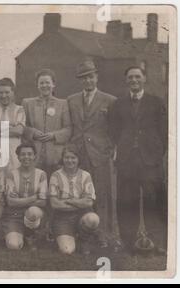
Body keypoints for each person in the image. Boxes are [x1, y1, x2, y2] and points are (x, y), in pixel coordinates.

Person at [109, 66, 167, 254]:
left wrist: (157, 153)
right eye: (130, 77)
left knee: (154, 200)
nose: (134, 80)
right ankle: (129, 243)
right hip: (127, 160)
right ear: (126, 80)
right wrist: (124, 147)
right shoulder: (118, 104)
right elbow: (113, 131)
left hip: (150, 161)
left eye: (137, 77)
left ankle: (157, 242)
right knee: (126, 201)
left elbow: (164, 132)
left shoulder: (156, 103)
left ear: (144, 79)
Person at [67, 60, 121, 250]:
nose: (87, 81)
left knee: (101, 195)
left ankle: (103, 234)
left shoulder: (110, 100)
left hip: (100, 155)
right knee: (79, 193)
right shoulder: (71, 100)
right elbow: (71, 127)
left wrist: (108, 150)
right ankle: (82, 233)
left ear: (96, 77)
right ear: (79, 81)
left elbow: (115, 130)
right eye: (83, 78)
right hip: (78, 155)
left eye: (90, 76)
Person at [49, 144, 100, 255]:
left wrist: (70, 201)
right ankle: (64, 236)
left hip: (82, 215)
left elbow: (89, 201)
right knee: (67, 250)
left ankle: (84, 239)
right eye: (67, 157)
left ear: (78, 159)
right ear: (62, 159)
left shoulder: (86, 175)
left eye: (73, 158)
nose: (70, 160)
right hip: (62, 218)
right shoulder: (55, 175)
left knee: (93, 219)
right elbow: (54, 204)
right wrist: (79, 202)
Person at [22, 69, 72, 177]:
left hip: (56, 156)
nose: (45, 85)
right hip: (34, 155)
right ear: (37, 85)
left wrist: (54, 135)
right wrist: (32, 132)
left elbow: (68, 129)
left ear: (53, 84)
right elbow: (22, 126)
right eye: (41, 83)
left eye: (48, 82)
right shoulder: (27, 103)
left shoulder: (63, 104)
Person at [3, 142, 47, 251]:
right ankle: (19, 234)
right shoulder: (11, 174)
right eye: (23, 154)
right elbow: (10, 202)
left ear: (34, 156)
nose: (26, 157)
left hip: (33, 215)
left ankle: (30, 236)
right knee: (13, 246)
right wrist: (32, 198)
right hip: (15, 215)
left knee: (33, 211)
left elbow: (43, 202)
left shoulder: (41, 174)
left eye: (29, 154)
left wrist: (19, 200)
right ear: (18, 157)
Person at [0, 78, 25, 171]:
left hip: (13, 152)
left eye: (7, 92)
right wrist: (10, 127)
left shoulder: (19, 109)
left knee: (12, 180)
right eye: (1, 92)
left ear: (12, 92)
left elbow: (19, 131)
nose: (4, 95)